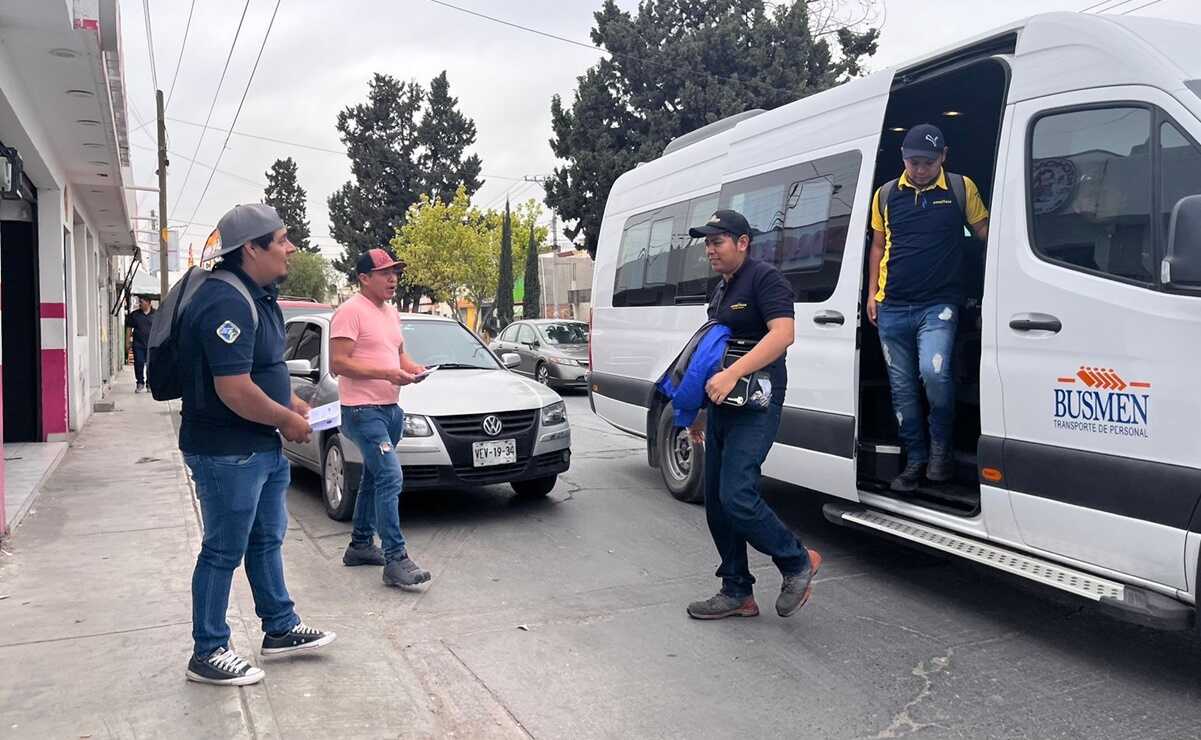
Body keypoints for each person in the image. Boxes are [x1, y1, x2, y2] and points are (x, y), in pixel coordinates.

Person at [179, 203, 335, 686]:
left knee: (267, 539)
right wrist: (287, 418)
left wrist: (294, 404)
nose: (291, 248)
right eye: (282, 239)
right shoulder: (225, 300)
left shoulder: (259, 295)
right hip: (227, 449)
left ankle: (280, 627)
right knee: (223, 549)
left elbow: (265, 370)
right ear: (251, 248)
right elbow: (234, 388)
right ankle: (208, 651)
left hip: (259, 445)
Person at [684, 210, 821, 621]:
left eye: (718, 241)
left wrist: (732, 374)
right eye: (707, 243)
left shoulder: (765, 279)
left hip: (757, 403)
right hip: (724, 404)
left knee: (738, 496)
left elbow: (783, 334)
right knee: (716, 504)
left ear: (743, 242)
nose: (710, 249)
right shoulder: (721, 289)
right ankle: (737, 591)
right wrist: (701, 411)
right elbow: (713, 351)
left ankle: (797, 560)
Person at [866, 124, 990, 492]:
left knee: (934, 375)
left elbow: (986, 234)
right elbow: (878, 246)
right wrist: (872, 292)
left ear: (943, 156)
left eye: (927, 162)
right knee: (902, 389)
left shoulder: (959, 187)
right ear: (903, 158)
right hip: (892, 306)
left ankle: (941, 451)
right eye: (912, 161)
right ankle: (915, 460)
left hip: (939, 305)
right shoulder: (886, 194)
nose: (919, 169)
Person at [329, 247, 432, 588]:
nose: (393, 278)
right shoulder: (349, 312)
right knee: (390, 477)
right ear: (363, 278)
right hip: (361, 411)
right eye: (385, 273)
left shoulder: (390, 312)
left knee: (375, 478)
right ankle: (395, 559)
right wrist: (388, 374)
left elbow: (398, 353)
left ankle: (360, 545)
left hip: (390, 410)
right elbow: (338, 363)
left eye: (396, 272)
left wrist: (412, 368)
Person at [125, 295, 155, 392]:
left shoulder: (156, 314)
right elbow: (129, 328)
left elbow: (160, 328)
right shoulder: (135, 315)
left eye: (141, 302)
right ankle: (140, 383)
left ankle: (150, 384)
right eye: (140, 302)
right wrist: (127, 342)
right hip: (138, 344)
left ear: (149, 303)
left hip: (152, 345)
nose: (140, 304)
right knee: (139, 363)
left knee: (151, 365)